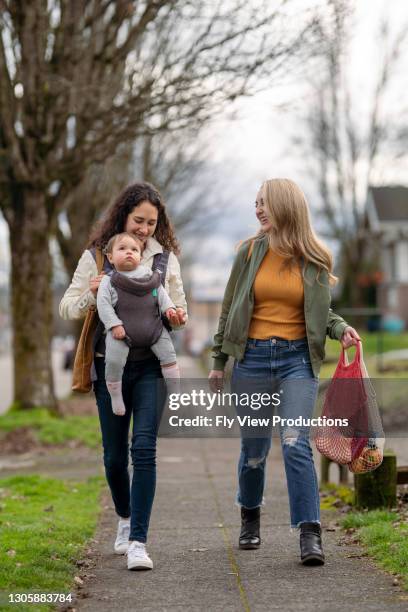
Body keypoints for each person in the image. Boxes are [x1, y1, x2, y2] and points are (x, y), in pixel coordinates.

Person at [208, 178, 360, 566]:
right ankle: (250, 516)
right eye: (255, 202)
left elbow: (320, 313)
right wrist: (218, 362)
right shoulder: (247, 253)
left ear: (285, 206)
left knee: (295, 441)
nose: (258, 209)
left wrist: (340, 329)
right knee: (255, 448)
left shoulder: (315, 257)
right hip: (252, 359)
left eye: (265, 203)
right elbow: (228, 310)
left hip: (296, 360)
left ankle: (310, 532)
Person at [60, 182, 187, 571]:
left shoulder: (165, 261)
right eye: (138, 220)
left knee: (144, 450)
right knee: (115, 459)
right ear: (123, 217)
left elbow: (178, 309)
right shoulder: (97, 257)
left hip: (150, 366)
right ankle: (125, 516)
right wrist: (91, 292)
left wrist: (176, 318)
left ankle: (138, 541)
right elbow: (68, 308)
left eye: (152, 223)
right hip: (109, 365)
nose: (145, 229)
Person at [97, 232, 180, 416]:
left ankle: (175, 391)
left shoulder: (150, 276)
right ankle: (116, 396)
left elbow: (162, 296)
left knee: (169, 354)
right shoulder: (109, 281)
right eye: (122, 248)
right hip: (122, 334)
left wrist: (170, 310)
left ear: (141, 257)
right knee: (113, 361)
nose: (129, 252)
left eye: (134, 249)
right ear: (110, 257)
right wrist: (114, 325)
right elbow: (103, 305)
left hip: (153, 330)